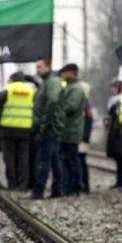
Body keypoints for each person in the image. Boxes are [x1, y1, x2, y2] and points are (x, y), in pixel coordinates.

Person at [0, 71, 35, 191]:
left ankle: (12, 184)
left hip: (8, 130)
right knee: (23, 158)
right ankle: (23, 185)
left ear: (12, 79)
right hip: (25, 130)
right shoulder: (31, 92)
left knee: (9, 159)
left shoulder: (7, 91)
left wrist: (0, 123)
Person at [31, 58, 65, 199]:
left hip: (49, 127)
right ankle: (58, 190)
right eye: (36, 67)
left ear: (48, 67)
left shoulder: (52, 82)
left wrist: (44, 123)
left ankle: (38, 192)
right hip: (50, 126)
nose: (37, 70)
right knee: (54, 160)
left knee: (44, 161)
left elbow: (53, 101)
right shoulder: (47, 82)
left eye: (40, 67)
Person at [58, 63, 87, 196]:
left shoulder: (76, 89)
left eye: (64, 72)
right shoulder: (70, 87)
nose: (62, 75)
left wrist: (58, 108)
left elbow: (71, 107)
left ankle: (74, 187)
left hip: (72, 130)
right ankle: (69, 186)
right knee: (68, 159)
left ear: (71, 73)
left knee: (72, 160)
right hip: (67, 130)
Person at [105, 80, 122, 188]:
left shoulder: (120, 100)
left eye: (114, 87)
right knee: (118, 157)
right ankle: (120, 180)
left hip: (118, 132)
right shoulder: (113, 101)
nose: (112, 89)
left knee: (121, 157)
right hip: (114, 131)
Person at [78, 82, 93, 193]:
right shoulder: (85, 103)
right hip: (83, 136)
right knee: (81, 161)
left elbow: (88, 122)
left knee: (81, 160)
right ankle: (84, 185)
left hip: (82, 138)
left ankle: (84, 185)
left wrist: (84, 138)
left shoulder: (84, 103)